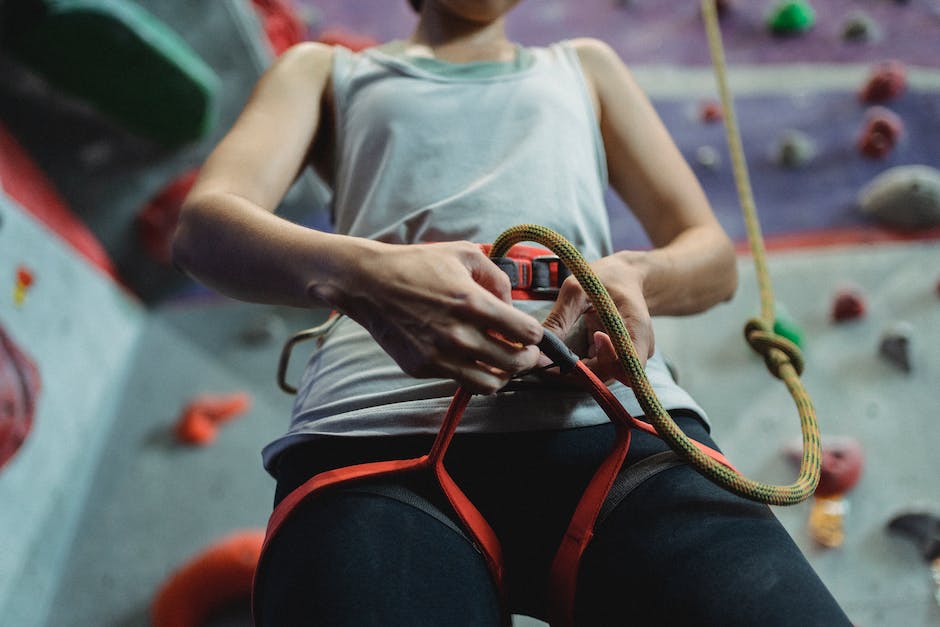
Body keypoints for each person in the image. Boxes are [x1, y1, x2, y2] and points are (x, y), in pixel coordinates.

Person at [173, 1, 853, 624]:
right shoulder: (326, 72)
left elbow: (712, 259)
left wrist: (636, 274)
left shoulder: (584, 67)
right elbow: (204, 228)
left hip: (620, 423)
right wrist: (366, 274)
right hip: (377, 432)